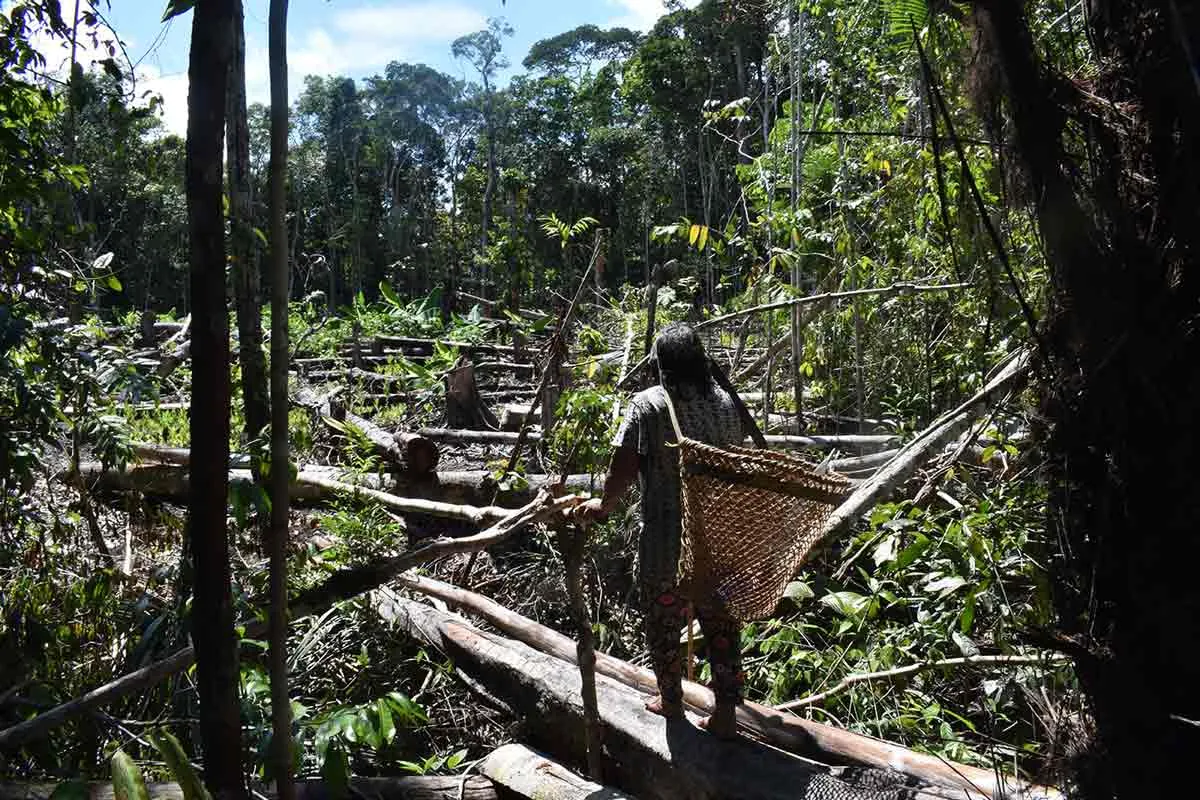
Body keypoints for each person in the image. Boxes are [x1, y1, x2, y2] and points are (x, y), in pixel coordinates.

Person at [571, 321, 748, 739]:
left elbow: (624, 468)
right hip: (718, 538)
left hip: (667, 541)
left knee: (664, 617)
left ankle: (670, 700)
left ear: (660, 364)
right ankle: (725, 714)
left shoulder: (649, 404)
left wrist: (603, 505)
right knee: (721, 624)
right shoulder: (725, 402)